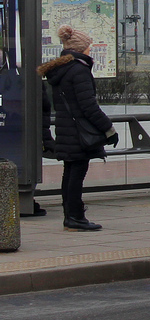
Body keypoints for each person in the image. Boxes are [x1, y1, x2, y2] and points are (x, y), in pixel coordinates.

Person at [38, 25, 117, 232]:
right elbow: (88, 106)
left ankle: (71, 215)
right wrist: (108, 128)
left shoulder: (61, 70)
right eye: (89, 46)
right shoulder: (79, 70)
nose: (91, 50)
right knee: (76, 174)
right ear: (81, 48)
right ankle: (75, 217)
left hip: (66, 131)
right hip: (79, 134)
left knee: (70, 173)